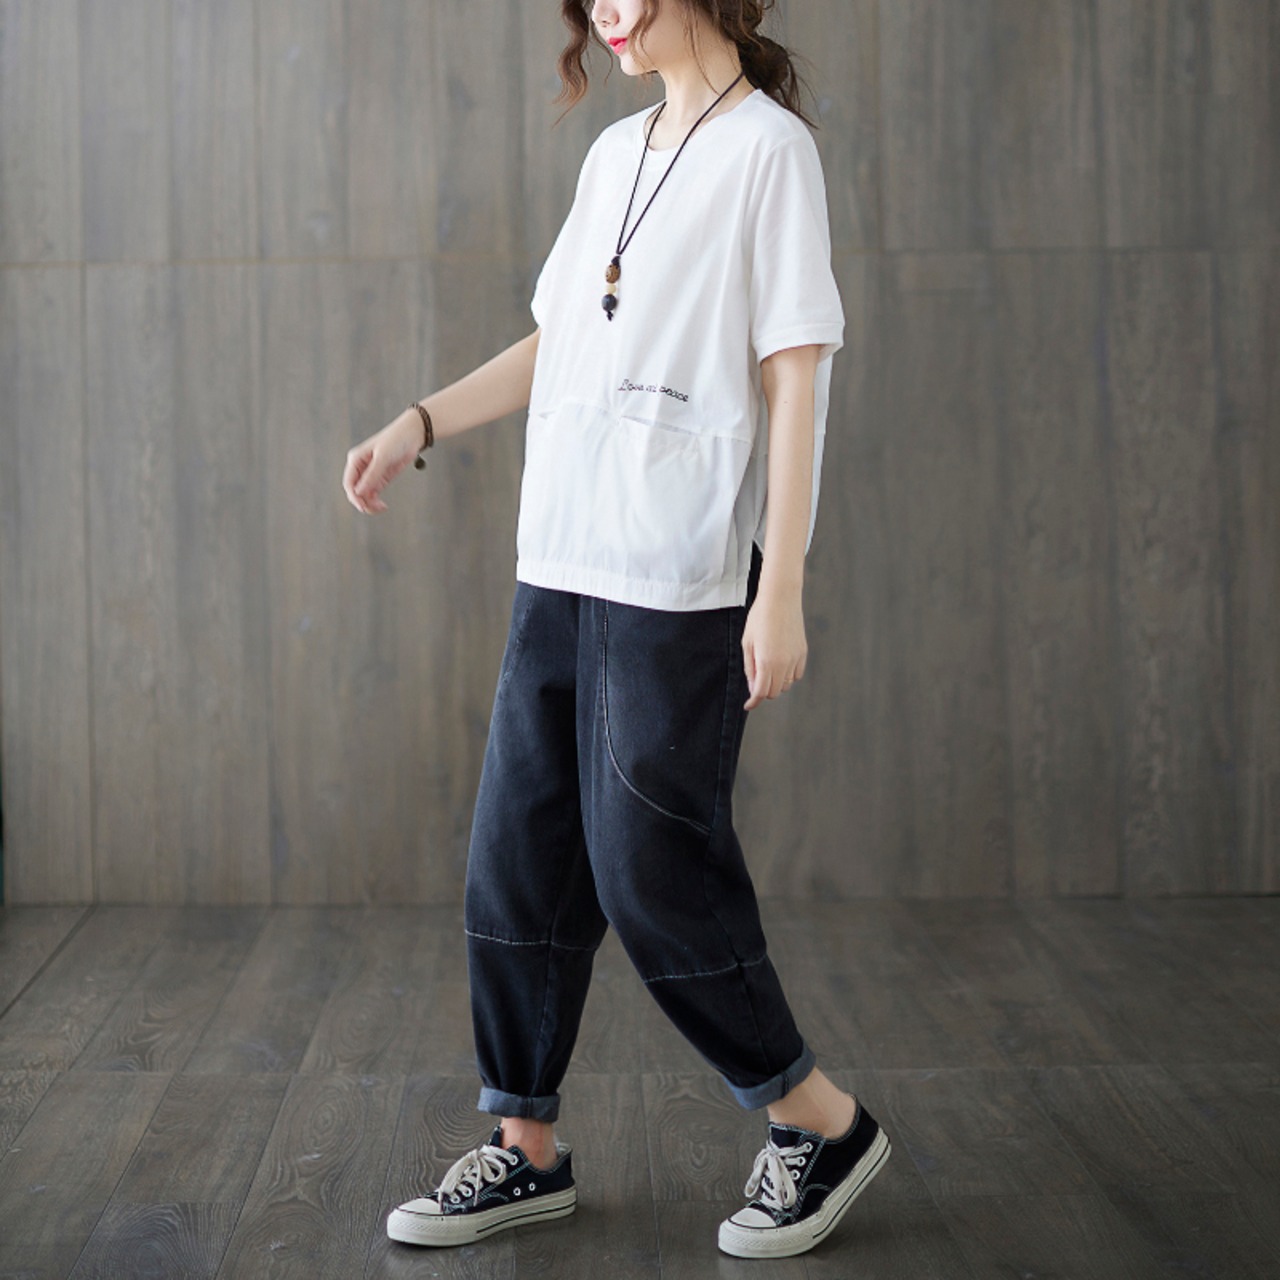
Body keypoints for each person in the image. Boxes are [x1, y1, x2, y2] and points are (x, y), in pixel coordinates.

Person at [341, 0, 891, 1261]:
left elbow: (794, 373)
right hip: (560, 560)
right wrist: (419, 422)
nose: (603, 13)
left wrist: (781, 584)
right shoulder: (612, 155)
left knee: (650, 867)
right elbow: (561, 342)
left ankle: (820, 1121)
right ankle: (523, 1144)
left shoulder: (768, 153)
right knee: (517, 859)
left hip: (679, 577)